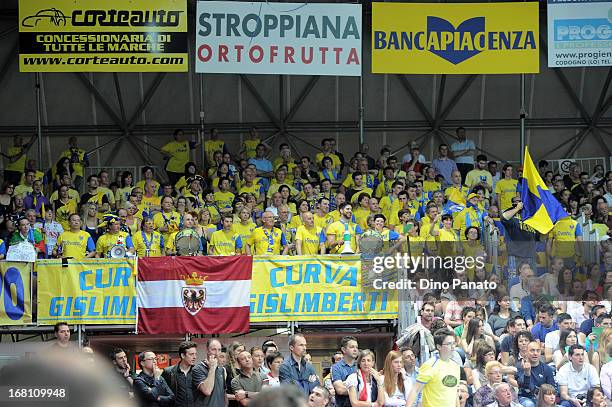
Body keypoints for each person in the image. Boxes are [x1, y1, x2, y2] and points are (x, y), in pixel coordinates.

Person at [406, 329, 461, 407]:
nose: (453, 347)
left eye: (453, 343)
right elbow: (415, 390)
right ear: (439, 346)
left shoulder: (455, 366)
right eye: (448, 344)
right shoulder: (430, 365)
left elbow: (454, 393)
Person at [516, 341, 555, 407]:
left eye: (538, 351)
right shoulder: (520, 367)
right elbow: (525, 386)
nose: (535, 353)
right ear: (526, 352)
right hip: (526, 397)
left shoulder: (547, 369)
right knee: (529, 404)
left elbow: (551, 388)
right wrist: (527, 373)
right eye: (532, 350)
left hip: (543, 398)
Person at [161, 341, 197, 407]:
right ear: (183, 355)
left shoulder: (197, 371)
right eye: (191, 354)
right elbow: (162, 394)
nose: (195, 357)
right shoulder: (169, 372)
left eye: (195, 354)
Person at [192, 338, 226, 407]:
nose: (217, 353)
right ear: (207, 350)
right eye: (213, 349)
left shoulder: (222, 370)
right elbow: (207, 391)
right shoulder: (197, 369)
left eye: (219, 350)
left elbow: (223, 393)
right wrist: (212, 368)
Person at [331, 336, 359, 407]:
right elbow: (340, 390)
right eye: (352, 347)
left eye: (356, 347)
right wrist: (361, 388)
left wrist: (346, 385)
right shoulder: (336, 367)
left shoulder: (360, 366)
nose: (355, 349)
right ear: (343, 349)